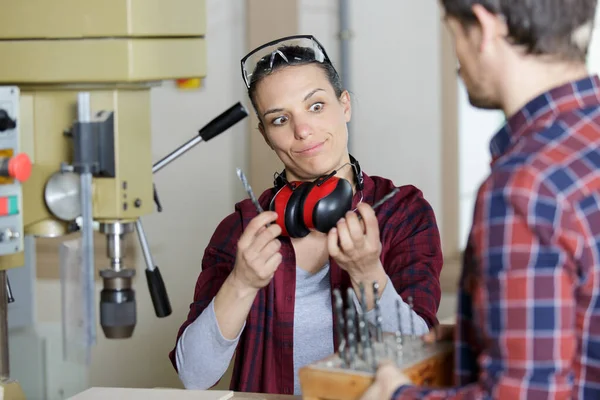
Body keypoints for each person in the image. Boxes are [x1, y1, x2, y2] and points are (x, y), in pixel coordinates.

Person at [168, 35, 444, 396]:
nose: (302, 130)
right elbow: (194, 377)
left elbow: (420, 358)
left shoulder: (402, 213)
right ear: (266, 135)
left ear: (344, 105)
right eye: (280, 119)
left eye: (315, 106)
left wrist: (366, 273)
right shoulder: (243, 229)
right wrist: (242, 282)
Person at [361, 1, 600, 399]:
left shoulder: (524, 187)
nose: (458, 57)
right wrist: (482, 334)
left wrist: (395, 395)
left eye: (453, 32)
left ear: (485, 28)